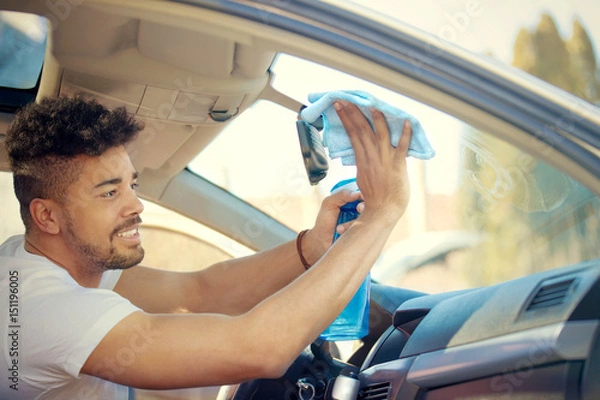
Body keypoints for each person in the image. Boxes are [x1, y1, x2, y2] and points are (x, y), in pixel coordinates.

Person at [0, 96, 412, 399]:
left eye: (132, 184)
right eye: (109, 193)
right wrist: (382, 213)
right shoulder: (48, 311)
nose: (136, 205)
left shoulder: (35, 260)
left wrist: (310, 249)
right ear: (47, 216)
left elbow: (195, 294)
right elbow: (257, 349)